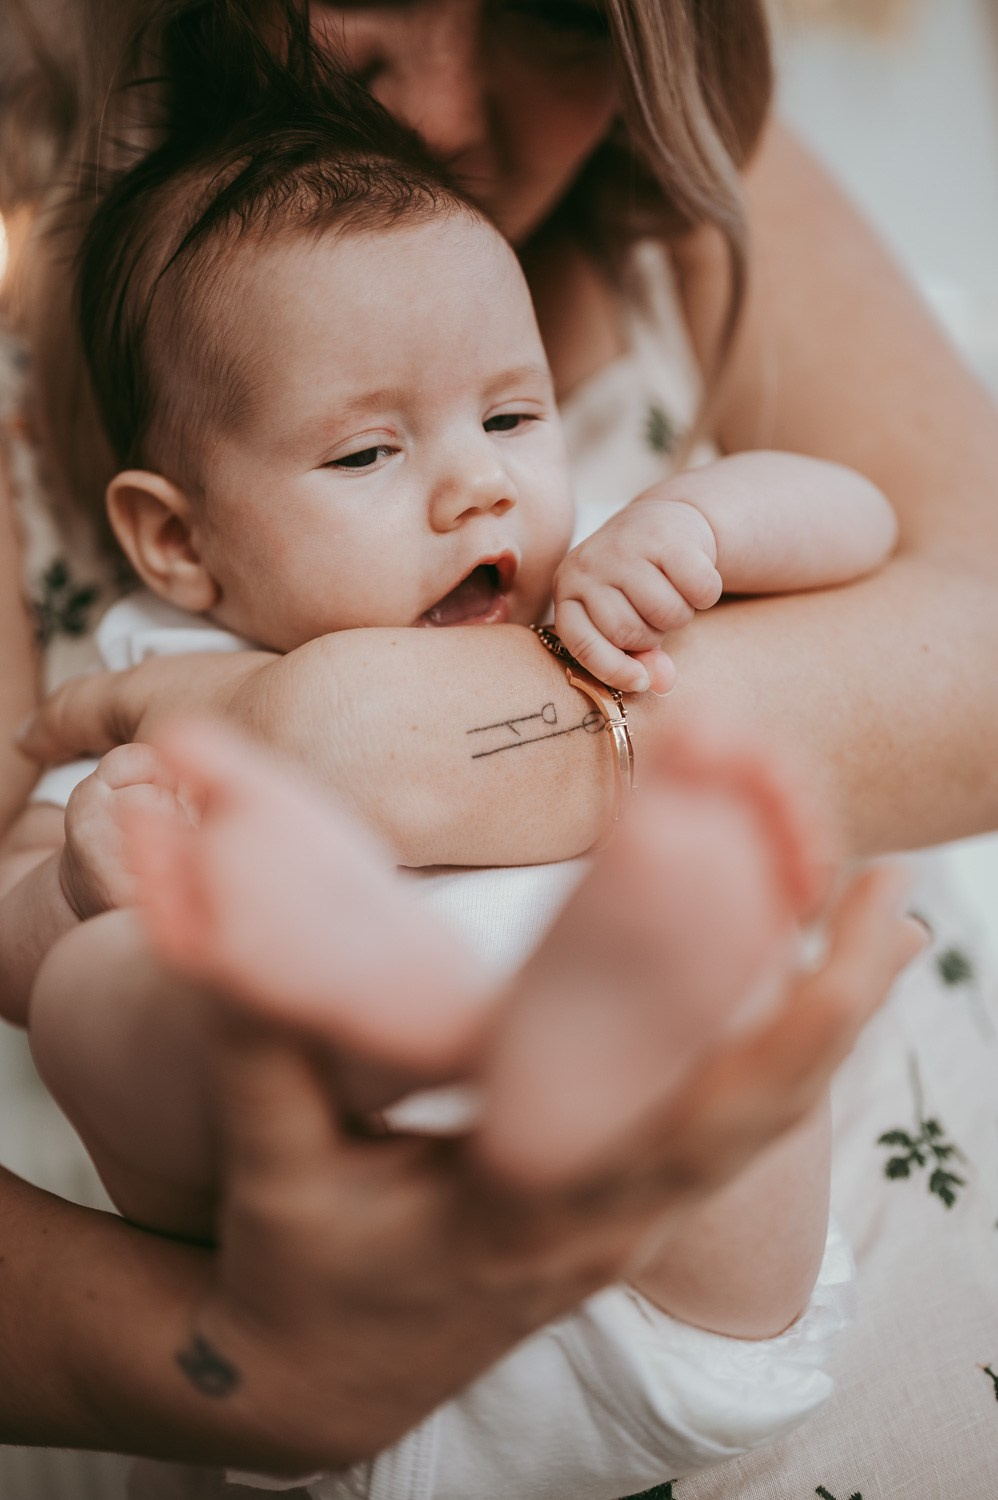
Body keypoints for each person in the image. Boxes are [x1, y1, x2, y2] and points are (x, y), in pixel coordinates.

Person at [2, 0, 997, 1494]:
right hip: (311, 1286)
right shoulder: (154, 677)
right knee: (89, 992)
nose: (479, 490)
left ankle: (587, 1026)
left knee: (720, 1012)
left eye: (514, 417)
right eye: (361, 454)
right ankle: (385, 1017)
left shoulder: (594, 558)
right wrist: (83, 883)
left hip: (679, 1286)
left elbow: (874, 527)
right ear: (176, 539)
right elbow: (13, 905)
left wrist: (698, 524)